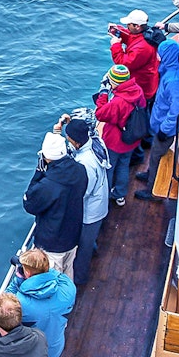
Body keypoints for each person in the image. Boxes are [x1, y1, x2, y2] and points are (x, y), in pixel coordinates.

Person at [6, 248, 76, 357]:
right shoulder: (68, 289)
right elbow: (57, 276)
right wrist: (41, 270)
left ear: (28, 274)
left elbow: (5, 305)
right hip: (54, 350)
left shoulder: (22, 303)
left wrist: (18, 280)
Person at [23, 133, 86, 279]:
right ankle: (69, 298)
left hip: (53, 242)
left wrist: (38, 172)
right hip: (73, 234)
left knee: (52, 280)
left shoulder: (47, 185)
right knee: (68, 271)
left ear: (46, 156)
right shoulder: (80, 170)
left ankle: (61, 301)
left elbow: (29, 204)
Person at [135, 40, 179, 201]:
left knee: (157, 156)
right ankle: (150, 174)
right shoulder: (173, 69)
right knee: (155, 153)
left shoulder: (174, 80)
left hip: (165, 127)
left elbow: (177, 108)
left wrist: (165, 129)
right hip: (160, 122)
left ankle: (153, 190)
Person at [62, 118, 109, 285]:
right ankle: (92, 247)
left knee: (83, 248)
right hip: (100, 202)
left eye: (69, 139)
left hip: (91, 211)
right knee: (89, 238)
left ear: (76, 141)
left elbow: (84, 191)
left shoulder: (86, 164)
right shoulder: (96, 141)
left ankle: (79, 279)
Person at [94, 65, 147, 207]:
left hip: (115, 141)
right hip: (131, 139)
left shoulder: (118, 102)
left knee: (109, 168)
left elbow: (100, 113)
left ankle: (105, 196)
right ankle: (120, 195)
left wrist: (104, 93)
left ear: (115, 82)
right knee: (124, 165)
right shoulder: (138, 91)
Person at [109, 9, 159, 103]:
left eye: (129, 24)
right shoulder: (144, 34)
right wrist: (118, 30)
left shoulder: (142, 48)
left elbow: (123, 64)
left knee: (139, 110)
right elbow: (132, 37)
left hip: (142, 87)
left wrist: (115, 45)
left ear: (137, 26)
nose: (127, 26)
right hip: (144, 81)